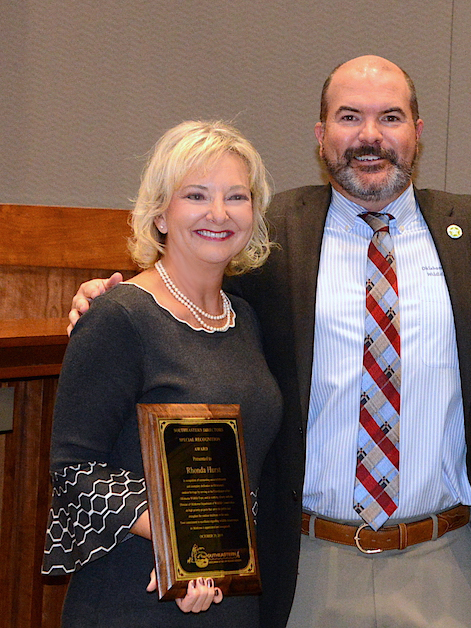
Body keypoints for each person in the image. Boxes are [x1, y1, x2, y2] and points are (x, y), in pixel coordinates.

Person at [69, 56, 471, 627]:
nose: (369, 135)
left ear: (417, 131)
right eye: (348, 117)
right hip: (307, 566)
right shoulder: (268, 234)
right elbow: (187, 291)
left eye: (390, 117)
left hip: (445, 564)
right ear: (320, 134)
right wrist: (104, 296)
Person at [44, 120, 283, 626]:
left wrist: (213, 551)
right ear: (159, 214)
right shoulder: (119, 317)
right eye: (196, 195)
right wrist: (183, 540)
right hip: (134, 596)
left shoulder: (247, 319)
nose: (218, 213)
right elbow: (74, 469)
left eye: (236, 197)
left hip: (232, 595)